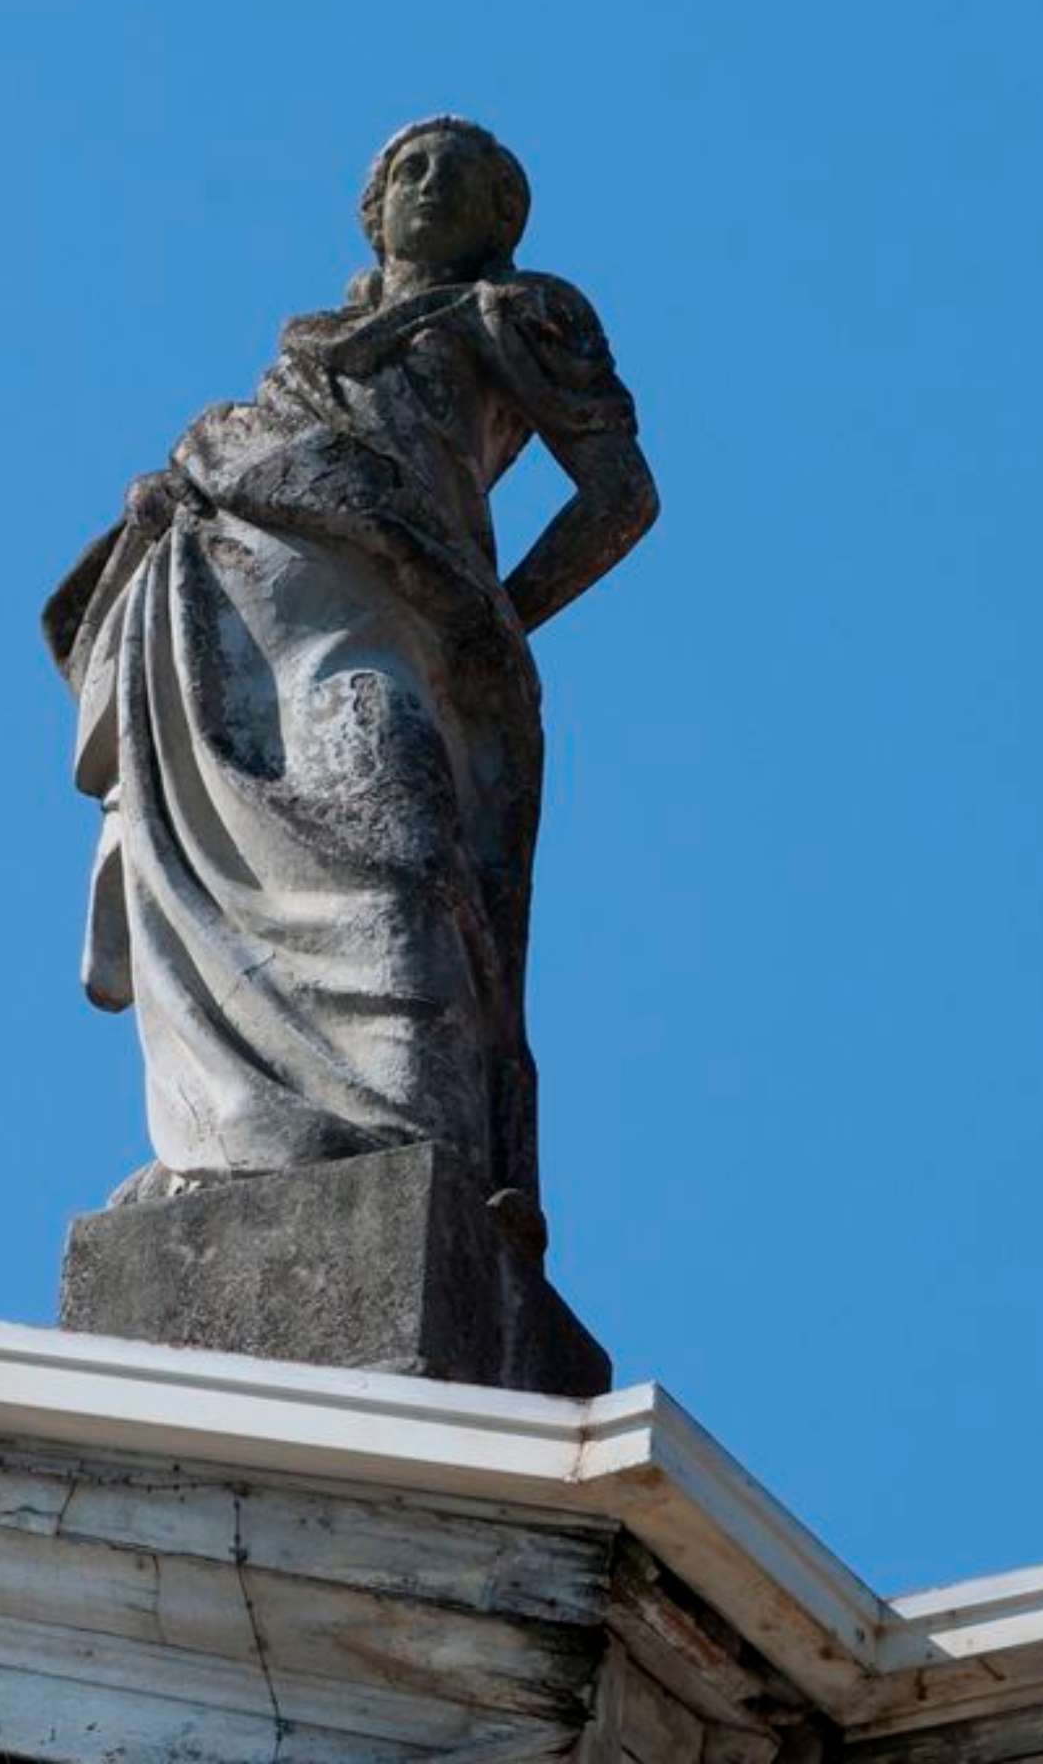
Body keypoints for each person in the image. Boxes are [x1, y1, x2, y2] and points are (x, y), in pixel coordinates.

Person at [45, 117, 657, 1209]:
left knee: (399, 850)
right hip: (224, 610)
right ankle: (232, 1132)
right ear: (372, 211)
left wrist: (499, 619)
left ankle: (412, 1140)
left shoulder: (510, 312)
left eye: (463, 173)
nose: (431, 182)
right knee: (218, 878)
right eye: (409, 168)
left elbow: (621, 496)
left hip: (387, 618)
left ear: (503, 221)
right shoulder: (316, 341)